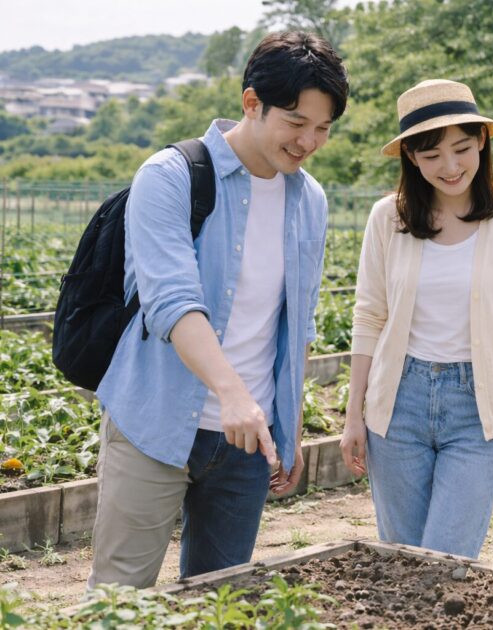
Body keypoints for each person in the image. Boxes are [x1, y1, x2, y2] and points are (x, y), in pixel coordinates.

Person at [88, 32, 349, 588]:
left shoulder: (310, 200)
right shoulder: (169, 175)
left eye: (323, 128)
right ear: (252, 103)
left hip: (247, 443)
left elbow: (297, 322)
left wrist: (288, 425)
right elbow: (172, 302)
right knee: (118, 598)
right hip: (155, 420)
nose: (309, 141)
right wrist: (233, 395)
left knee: (220, 601)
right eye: (296, 122)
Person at [339, 79, 493, 559]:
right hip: (398, 402)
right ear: (412, 157)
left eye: (461, 149)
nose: (450, 167)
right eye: (432, 155)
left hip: (479, 408)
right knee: (402, 559)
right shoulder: (387, 218)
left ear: (482, 141)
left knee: (447, 560)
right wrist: (353, 416)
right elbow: (369, 314)